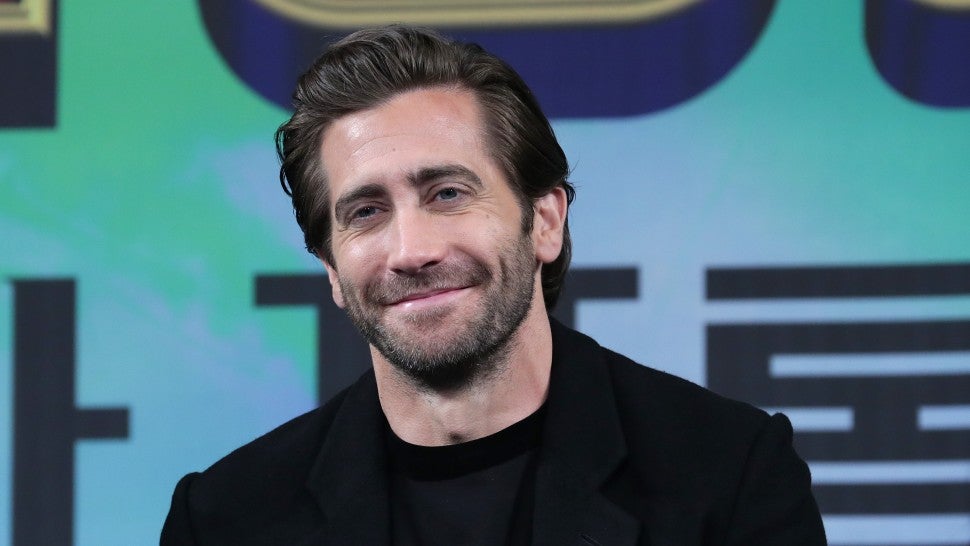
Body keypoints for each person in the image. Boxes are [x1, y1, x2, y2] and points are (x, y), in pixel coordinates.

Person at [161, 26, 826, 545]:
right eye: (365, 212)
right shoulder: (225, 518)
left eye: (447, 193)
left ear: (545, 221)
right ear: (332, 269)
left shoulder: (729, 475)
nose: (412, 251)